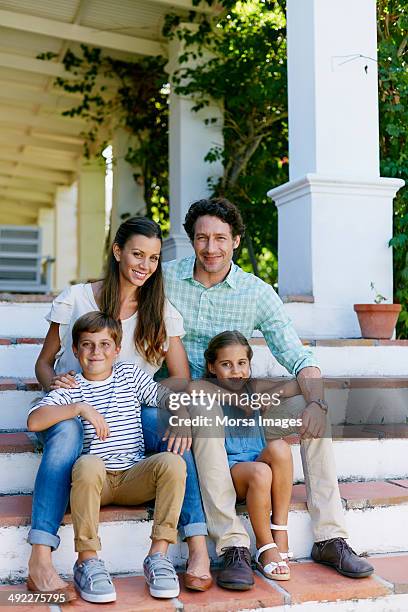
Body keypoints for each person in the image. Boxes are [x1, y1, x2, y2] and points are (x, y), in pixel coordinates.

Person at [162, 197, 374, 587]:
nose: (211, 248)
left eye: (220, 238)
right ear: (192, 240)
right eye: (202, 238)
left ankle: (330, 536)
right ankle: (232, 545)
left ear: (237, 241)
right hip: (194, 395)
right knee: (205, 404)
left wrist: (314, 399)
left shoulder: (256, 292)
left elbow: (296, 353)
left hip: (242, 396)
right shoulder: (166, 278)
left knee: (314, 411)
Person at [29, 217, 210, 598]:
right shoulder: (77, 299)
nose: (145, 265)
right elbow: (44, 363)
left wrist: (179, 413)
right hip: (74, 408)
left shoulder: (157, 308)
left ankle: (195, 546)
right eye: (137, 254)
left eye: (154, 258)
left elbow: (177, 377)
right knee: (66, 432)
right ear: (117, 252)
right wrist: (60, 391)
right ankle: (41, 557)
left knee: (173, 434)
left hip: (130, 406)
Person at [28, 312, 187, 603]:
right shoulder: (70, 386)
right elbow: (35, 421)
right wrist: (78, 408)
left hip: (132, 476)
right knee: (89, 464)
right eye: (87, 345)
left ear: (116, 349)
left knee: (173, 462)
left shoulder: (129, 375)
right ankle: (87, 560)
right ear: (75, 350)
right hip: (94, 483)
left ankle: (158, 557)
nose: (96, 352)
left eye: (104, 344)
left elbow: (163, 396)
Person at [204, 330, 293, 581]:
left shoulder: (252, 388)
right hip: (233, 470)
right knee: (261, 471)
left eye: (242, 363)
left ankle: (280, 529)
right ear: (212, 367)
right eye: (226, 364)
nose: (236, 371)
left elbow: (294, 386)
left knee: (280, 448)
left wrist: (271, 397)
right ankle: (265, 548)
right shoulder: (208, 392)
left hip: (257, 459)